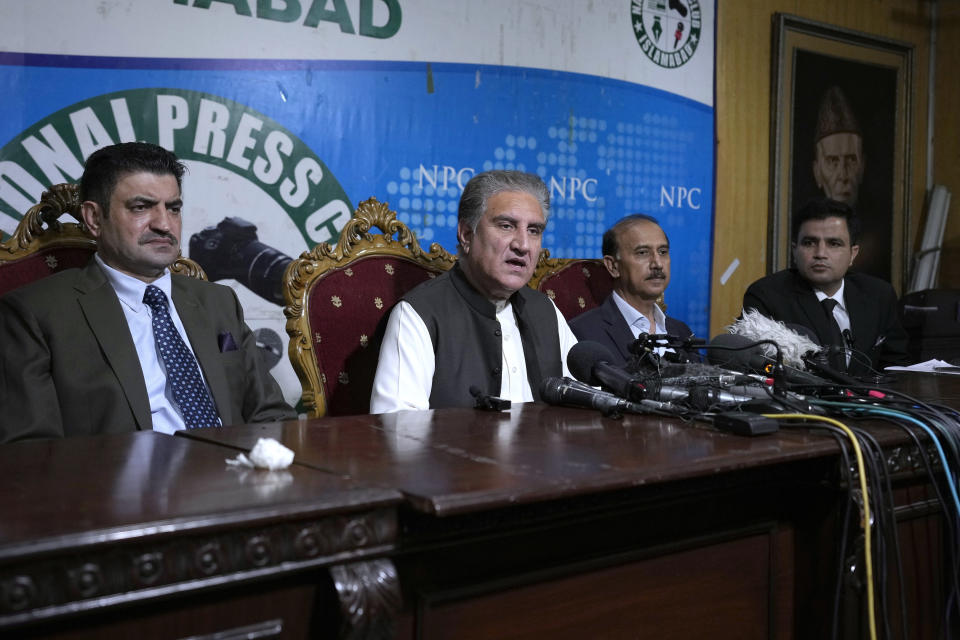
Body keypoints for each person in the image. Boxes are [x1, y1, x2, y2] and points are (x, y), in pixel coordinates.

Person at [0, 142, 295, 443]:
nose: (164, 224)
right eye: (141, 207)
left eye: (174, 208)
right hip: (120, 484)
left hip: (235, 478)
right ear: (93, 218)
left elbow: (271, 415)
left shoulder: (219, 302)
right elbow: (31, 453)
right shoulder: (35, 314)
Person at [370, 170, 577, 412]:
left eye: (534, 230)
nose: (523, 245)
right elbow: (398, 432)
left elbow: (581, 407)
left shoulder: (545, 310)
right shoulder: (418, 315)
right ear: (467, 234)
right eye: (507, 226)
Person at [742, 198, 908, 376]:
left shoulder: (879, 295)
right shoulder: (767, 296)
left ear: (853, 253)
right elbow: (758, 370)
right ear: (794, 251)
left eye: (834, 244)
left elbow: (896, 365)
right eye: (809, 243)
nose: (820, 254)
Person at [568, 214, 694, 366]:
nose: (657, 263)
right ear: (613, 266)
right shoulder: (583, 333)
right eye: (642, 253)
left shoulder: (682, 332)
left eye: (662, 252)